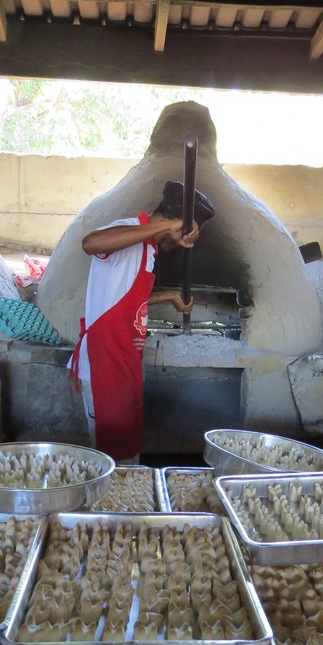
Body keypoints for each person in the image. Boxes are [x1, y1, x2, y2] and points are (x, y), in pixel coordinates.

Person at [69, 180, 215, 463]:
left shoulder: (148, 248)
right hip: (105, 368)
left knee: (127, 456)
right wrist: (164, 227)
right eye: (186, 236)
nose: (184, 245)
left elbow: (125, 301)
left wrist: (169, 296)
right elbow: (90, 243)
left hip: (125, 364)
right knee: (113, 462)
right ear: (175, 225)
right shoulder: (130, 230)